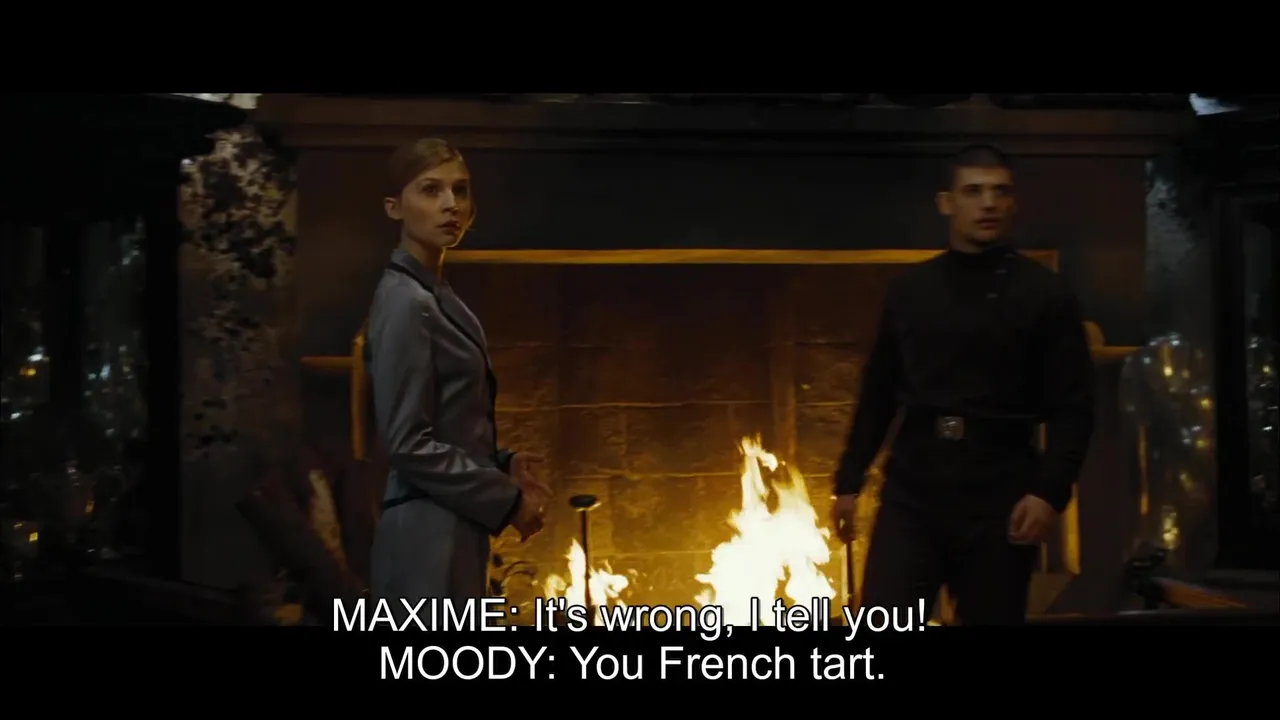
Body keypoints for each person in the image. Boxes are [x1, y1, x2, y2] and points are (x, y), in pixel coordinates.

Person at [831, 144, 1096, 624]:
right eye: (973, 191)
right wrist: (849, 482)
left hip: (1000, 492)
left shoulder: (1045, 294)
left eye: (1000, 192)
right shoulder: (911, 291)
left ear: (1013, 203)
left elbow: (1074, 407)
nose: (988, 203)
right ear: (947, 203)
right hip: (914, 490)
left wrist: (1049, 492)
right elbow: (879, 392)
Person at [366, 138, 551, 605]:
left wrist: (500, 462)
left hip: (451, 526)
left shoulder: (437, 296)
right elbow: (407, 443)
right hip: (426, 539)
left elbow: (443, 422)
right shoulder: (406, 302)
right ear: (394, 207)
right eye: (431, 190)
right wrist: (507, 501)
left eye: (460, 190)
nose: (451, 204)